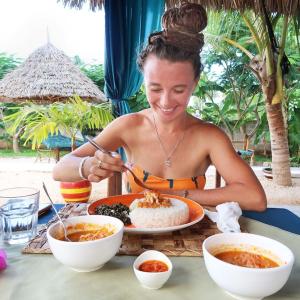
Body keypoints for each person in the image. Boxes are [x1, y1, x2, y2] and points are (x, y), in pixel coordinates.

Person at [53, 2, 266, 211]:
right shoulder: (129, 126)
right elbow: (60, 169)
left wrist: (176, 196)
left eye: (179, 90)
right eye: (155, 88)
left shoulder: (209, 136)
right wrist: (87, 166)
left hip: (193, 240)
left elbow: (255, 197)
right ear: (144, 81)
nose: (165, 102)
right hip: (136, 240)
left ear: (195, 83)